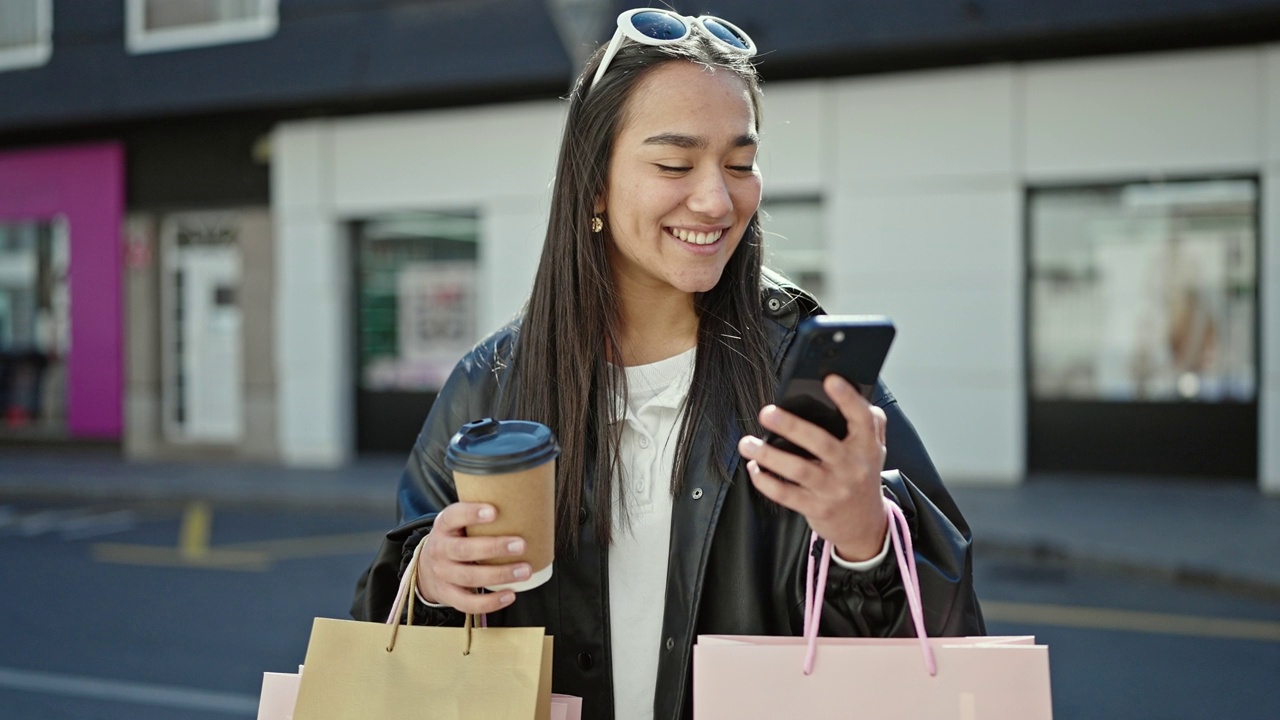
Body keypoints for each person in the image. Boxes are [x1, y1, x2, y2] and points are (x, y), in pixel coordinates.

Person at [352, 9, 984, 720]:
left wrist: (864, 537)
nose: (717, 199)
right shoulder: (491, 383)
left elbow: (944, 638)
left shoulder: (801, 372)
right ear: (595, 184)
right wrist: (433, 580)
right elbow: (389, 643)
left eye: (740, 164)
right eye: (674, 164)